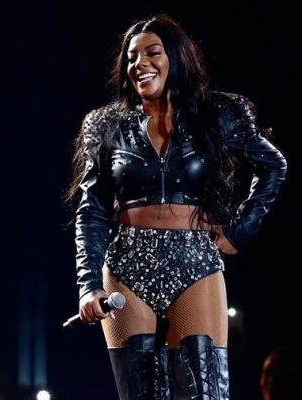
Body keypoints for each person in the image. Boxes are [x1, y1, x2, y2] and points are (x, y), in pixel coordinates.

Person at [66, 15, 287, 399]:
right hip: (126, 266)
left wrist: (240, 230)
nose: (140, 64)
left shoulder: (217, 114)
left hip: (195, 261)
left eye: (153, 53)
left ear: (177, 57)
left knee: (203, 391)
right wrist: (88, 286)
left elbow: (273, 165)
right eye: (132, 58)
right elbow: (92, 210)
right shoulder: (105, 125)